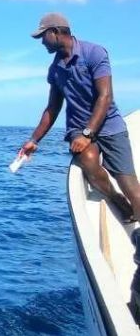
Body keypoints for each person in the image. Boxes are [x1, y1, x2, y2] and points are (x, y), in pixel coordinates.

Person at [19, 13, 139, 222]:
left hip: (109, 125)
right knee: (89, 164)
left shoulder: (94, 53)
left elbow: (105, 96)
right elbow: (52, 108)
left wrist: (88, 133)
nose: (41, 43)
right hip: (78, 127)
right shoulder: (55, 69)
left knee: (131, 186)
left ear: (55, 32)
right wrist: (34, 140)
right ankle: (116, 199)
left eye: (43, 37)